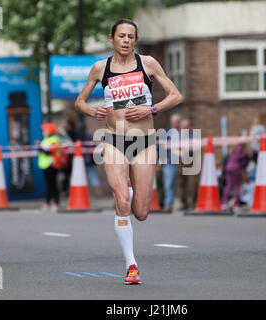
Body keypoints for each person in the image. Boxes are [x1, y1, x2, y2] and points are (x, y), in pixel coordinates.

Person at [75, 19, 182, 285]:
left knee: (141, 213)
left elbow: (175, 95)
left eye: (130, 36)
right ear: (111, 38)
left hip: (144, 142)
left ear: (135, 40)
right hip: (114, 140)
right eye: (121, 35)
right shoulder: (101, 68)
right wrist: (92, 110)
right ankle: (131, 266)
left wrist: (151, 109)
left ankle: (132, 189)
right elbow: (80, 101)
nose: (125, 40)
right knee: (121, 202)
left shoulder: (148, 64)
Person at [159, 114, 181, 212]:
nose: (178, 124)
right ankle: (167, 204)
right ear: (172, 122)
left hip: (180, 161)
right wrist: (163, 158)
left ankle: (173, 202)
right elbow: (161, 146)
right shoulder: (166, 132)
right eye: (177, 121)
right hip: (169, 161)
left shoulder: (181, 133)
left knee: (176, 184)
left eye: (179, 121)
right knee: (168, 183)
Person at [38, 123, 62, 212]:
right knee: (49, 185)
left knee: (53, 185)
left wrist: (40, 147)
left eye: (45, 130)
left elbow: (49, 152)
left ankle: (56, 203)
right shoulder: (45, 140)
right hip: (45, 165)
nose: (43, 132)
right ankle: (48, 202)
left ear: (50, 131)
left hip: (52, 165)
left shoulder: (54, 140)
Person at [221, 137, 249, 213]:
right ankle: (236, 205)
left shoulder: (234, 148)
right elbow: (240, 157)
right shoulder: (240, 148)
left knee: (228, 186)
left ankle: (224, 203)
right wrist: (246, 153)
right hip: (235, 168)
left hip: (229, 168)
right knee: (236, 187)